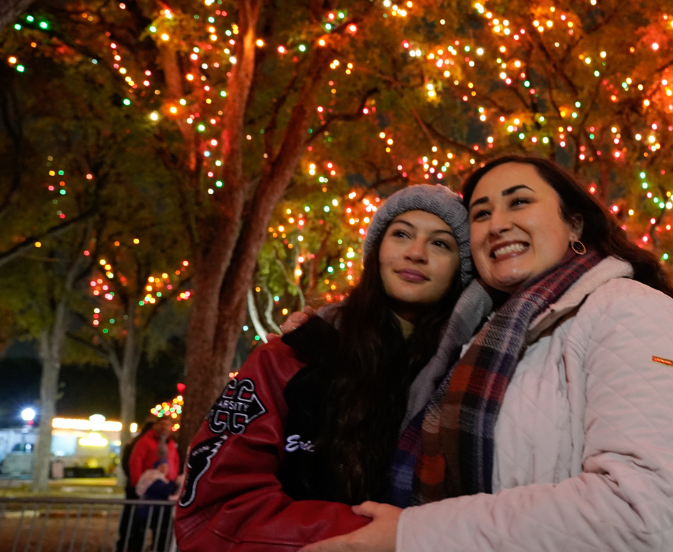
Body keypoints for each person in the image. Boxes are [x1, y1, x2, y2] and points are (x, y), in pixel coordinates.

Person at [305, 156, 673, 552]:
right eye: (481, 214)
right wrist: (329, 326)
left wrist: (416, 536)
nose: (497, 224)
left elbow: (639, 514)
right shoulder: (482, 340)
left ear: (575, 223)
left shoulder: (629, 309)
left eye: (519, 201)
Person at [174, 185, 473, 550]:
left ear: (463, 269)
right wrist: (373, 539)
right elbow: (218, 509)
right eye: (401, 234)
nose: (415, 253)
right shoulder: (289, 358)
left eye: (440, 244)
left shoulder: (473, 377)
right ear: (376, 250)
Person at [115, 419, 155, 551]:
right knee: (137, 515)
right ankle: (133, 543)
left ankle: (126, 541)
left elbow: (125, 463)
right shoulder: (143, 443)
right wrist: (139, 481)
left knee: (130, 513)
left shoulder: (133, 442)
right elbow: (132, 463)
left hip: (133, 484)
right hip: (140, 484)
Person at [131, 460, 181, 552]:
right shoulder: (153, 477)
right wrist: (174, 482)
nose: (165, 469)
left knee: (152, 533)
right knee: (159, 533)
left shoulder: (152, 477)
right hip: (152, 512)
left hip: (150, 512)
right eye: (162, 466)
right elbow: (165, 491)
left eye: (167, 466)